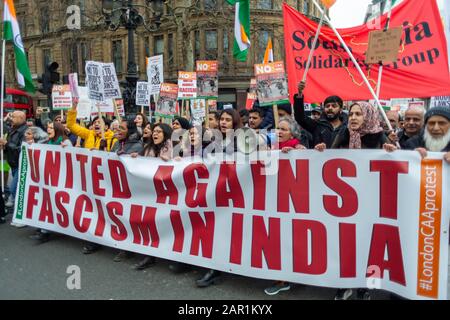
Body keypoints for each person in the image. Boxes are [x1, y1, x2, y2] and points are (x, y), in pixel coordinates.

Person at [315, 101, 397, 300]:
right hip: (347, 203)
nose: (353, 117)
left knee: (370, 247)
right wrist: (321, 149)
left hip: (372, 203)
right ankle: (345, 284)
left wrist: (390, 150)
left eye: (359, 114)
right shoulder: (344, 133)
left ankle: (365, 287)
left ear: (368, 116)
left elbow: (394, 163)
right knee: (347, 245)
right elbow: (329, 158)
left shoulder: (379, 136)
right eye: (351, 113)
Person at [195, 108, 243, 288]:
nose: (223, 122)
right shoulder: (214, 139)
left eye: (228, 120)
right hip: (216, 190)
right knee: (215, 229)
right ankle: (213, 268)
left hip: (236, 192)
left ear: (235, 122)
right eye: (221, 119)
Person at [264, 117, 308, 296]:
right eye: (277, 128)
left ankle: (284, 279)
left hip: (291, 202)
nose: (279, 132)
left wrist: (299, 153)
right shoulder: (271, 148)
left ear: (292, 133)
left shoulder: (298, 147)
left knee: (289, 240)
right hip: (273, 200)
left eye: (283, 129)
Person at [130, 123, 173, 270]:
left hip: (165, 193)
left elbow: (171, 161)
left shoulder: (171, 146)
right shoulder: (147, 148)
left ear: (166, 134)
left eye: (159, 132)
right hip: (149, 193)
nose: (155, 134)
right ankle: (150, 255)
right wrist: (137, 157)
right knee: (150, 223)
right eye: (154, 131)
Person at [110, 118, 144, 262]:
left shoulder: (137, 145)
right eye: (117, 128)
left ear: (129, 131)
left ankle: (127, 248)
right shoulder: (117, 143)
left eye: (122, 129)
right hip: (118, 185)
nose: (118, 131)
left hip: (132, 188)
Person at [30, 122, 70, 242]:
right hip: (50, 178)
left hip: (61, 179)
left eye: (51, 128)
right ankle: (44, 230)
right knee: (47, 203)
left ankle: (47, 230)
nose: (48, 130)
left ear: (57, 129)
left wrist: (66, 150)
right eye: (48, 127)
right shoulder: (48, 141)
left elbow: (71, 161)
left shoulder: (66, 142)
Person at [294, 81, 347, 148]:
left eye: (334, 106)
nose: (330, 108)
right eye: (327, 106)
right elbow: (300, 117)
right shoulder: (317, 125)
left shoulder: (347, 127)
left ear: (341, 109)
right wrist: (299, 94)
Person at [0, 111, 28, 211]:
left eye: (13, 117)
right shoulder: (13, 129)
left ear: (21, 118)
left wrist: (7, 144)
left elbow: (22, 148)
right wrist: (4, 146)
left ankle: (21, 211)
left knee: (14, 188)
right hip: (13, 163)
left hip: (21, 164)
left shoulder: (26, 131)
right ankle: (18, 209)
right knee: (17, 189)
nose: (11, 118)